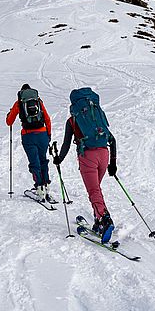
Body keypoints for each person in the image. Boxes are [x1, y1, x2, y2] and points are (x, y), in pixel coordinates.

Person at [52, 87, 117, 242]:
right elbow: (112, 139)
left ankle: (105, 219)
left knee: (93, 190)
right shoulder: (98, 114)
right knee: (96, 189)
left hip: (88, 156)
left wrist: (59, 159)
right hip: (104, 154)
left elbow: (66, 144)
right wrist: (113, 163)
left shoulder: (73, 120)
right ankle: (98, 221)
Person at [5, 84, 55, 203]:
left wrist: (9, 114)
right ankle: (46, 187)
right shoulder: (38, 101)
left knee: (34, 162)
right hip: (42, 134)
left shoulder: (19, 103)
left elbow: (9, 122)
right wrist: (48, 135)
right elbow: (47, 118)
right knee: (43, 160)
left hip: (28, 135)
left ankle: (39, 188)